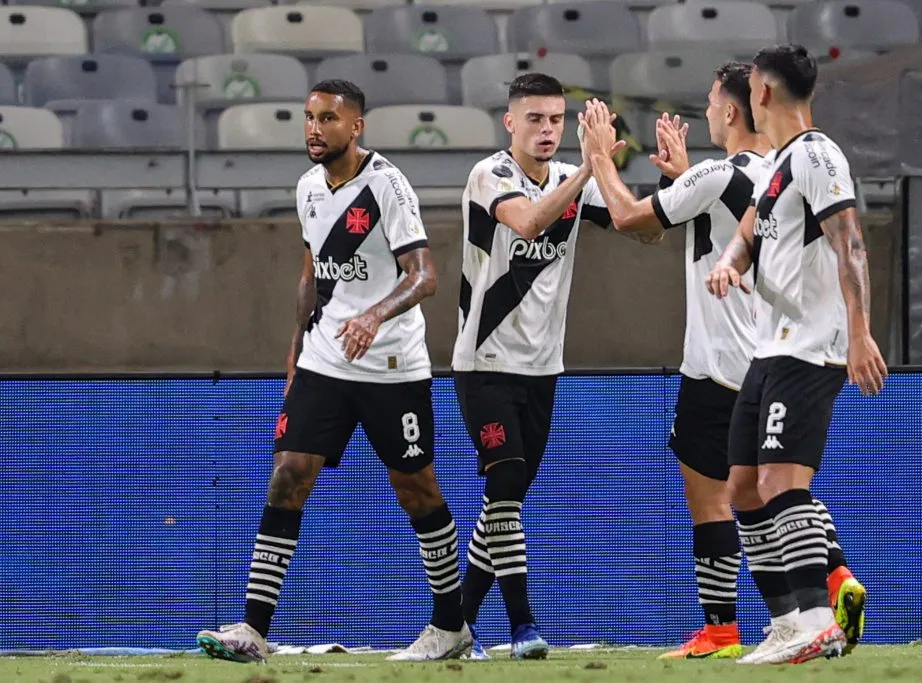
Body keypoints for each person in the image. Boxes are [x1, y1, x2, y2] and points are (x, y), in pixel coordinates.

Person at [579, 63, 865, 661]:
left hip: (731, 359)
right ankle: (827, 585)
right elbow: (738, 226)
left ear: (736, 108)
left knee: (725, 497)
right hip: (765, 349)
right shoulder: (768, 172)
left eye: (711, 102)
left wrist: (597, 157)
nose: (705, 112)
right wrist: (690, 184)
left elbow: (632, 219)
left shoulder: (749, 167)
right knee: (756, 487)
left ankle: (731, 627)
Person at [195, 79, 471, 664]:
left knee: (417, 490)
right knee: (288, 474)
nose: (314, 128)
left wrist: (373, 314)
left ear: (356, 127)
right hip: (326, 357)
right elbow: (312, 269)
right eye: (308, 118)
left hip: (393, 364)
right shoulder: (307, 188)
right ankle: (253, 631)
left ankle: (451, 627)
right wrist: (296, 347)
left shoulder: (388, 186)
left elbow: (425, 276)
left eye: (327, 118)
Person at [453, 72, 661, 661]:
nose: (547, 131)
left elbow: (639, 231)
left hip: (544, 367)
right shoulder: (490, 175)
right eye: (536, 119)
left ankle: (456, 626)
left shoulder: (577, 180)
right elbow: (528, 221)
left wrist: (673, 180)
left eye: (557, 120)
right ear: (510, 123)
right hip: (485, 360)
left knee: (506, 502)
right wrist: (590, 168)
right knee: (505, 485)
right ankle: (523, 628)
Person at [706, 45, 887, 665]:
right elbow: (747, 235)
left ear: (761, 93)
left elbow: (851, 244)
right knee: (741, 489)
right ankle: (786, 623)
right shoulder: (777, 164)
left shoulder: (816, 154)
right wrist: (729, 267)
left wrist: (860, 332)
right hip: (769, 346)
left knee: (782, 482)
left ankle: (816, 620)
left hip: (812, 347)